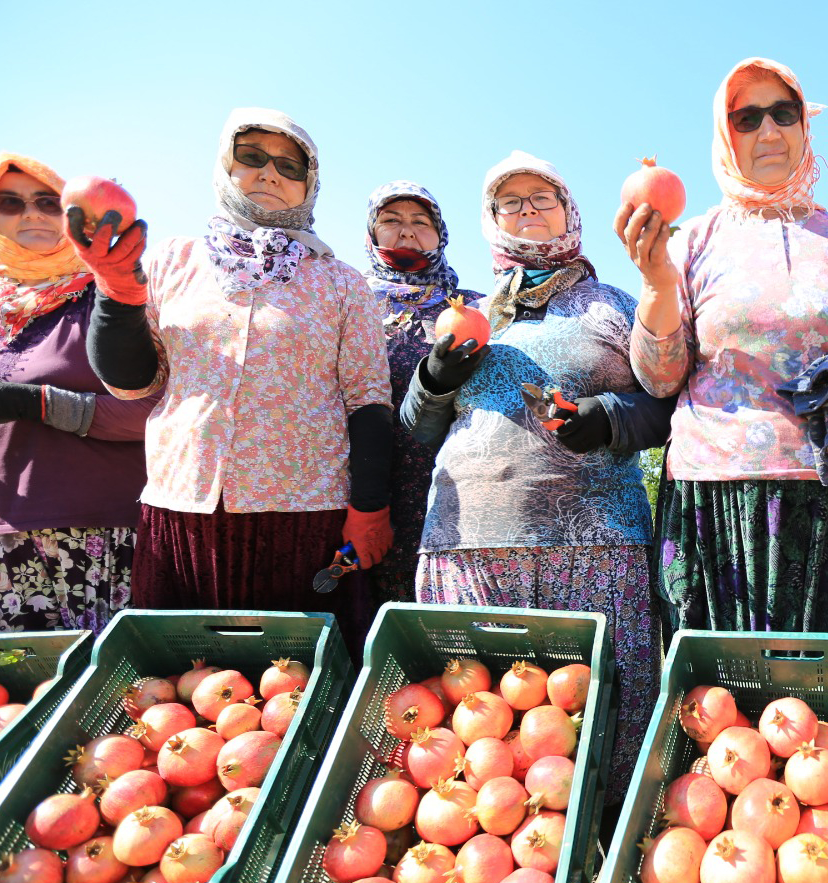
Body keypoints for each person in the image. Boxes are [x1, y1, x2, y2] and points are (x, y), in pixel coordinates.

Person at [75, 108, 393, 648]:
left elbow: (368, 403)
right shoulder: (172, 261)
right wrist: (116, 296)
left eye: (291, 167)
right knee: (181, 688)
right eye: (252, 158)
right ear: (225, 166)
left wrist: (369, 510)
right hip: (184, 511)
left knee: (293, 685)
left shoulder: (342, 283)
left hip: (304, 516)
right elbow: (130, 382)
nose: (270, 174)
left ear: (310, 185)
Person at [403, 151, 668, 796]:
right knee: (488, 733)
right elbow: (418, 427)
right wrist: (434, 380)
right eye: (511, 202)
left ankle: (605, 839)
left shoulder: (611, 304)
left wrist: (608, 417)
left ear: (569, 212)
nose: (527, 210)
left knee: (603, 713)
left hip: (593, 547)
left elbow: (665, 405)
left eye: (542, 199)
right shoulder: (468, 309)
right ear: (491, 220)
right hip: (466, 544)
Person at [617, 56, 828, 639]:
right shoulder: (695, 238)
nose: (769, 131)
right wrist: (655, 284)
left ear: (806, 125)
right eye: (746, 119)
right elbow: (660, 377)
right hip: (722, 497)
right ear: (726, 136)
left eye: (784, 113)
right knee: (725, 704)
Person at [0, 154, 153, 634]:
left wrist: (34, 403)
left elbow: (156, 415)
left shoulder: (113, 295)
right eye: (8, 202)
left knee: (110, 700)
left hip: (98, 539)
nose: (31, 213)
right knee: (1, 700)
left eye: (48, 202)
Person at [361, 182, 482, 606]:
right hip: (360, 490)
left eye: (420, 222)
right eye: (391, 221)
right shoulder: (347, 300)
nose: (407, 231)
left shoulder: (475, 309)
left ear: (441, 233)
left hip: (451, 491)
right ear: (372, 233)